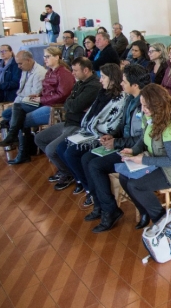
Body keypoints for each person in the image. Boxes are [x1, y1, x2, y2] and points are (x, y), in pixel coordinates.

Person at [81, 65, 151, 232]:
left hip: (138, 151)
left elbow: (143, 139)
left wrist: (117, 143)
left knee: (95, 166)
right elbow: (124, 126)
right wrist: (113, 137)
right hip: (125, 145)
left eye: (124, 81)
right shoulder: (129, 99)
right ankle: (99, 205)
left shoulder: (146, 103)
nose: (121, 84)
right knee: (86, 159)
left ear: (135, 85)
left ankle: (110, 210)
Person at [119, 84, 171, 228]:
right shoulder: (151, 117)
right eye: (142, 105)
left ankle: (162, 221)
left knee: (136, 185)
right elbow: (144, 139)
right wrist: (133, 151)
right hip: (162, 163)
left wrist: (143, 159)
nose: (143, 109)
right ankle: (145, 212)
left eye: (146, 106)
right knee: (124, 177)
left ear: (158, 105)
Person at [54, 63, 127, 204]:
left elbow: (111, 126)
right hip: (91, 131)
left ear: (112, 79)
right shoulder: (102, 93)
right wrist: (92, 126)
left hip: (101, 135)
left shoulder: (120, 98)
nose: (100, 80)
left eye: (103, 77)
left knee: (73, 154)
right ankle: (81, 180)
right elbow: (90, 115)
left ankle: (89, 188)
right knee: (61, 148)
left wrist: (94, 127)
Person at [0, 47, 75, 164]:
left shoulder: (64, 73)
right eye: (44, 56)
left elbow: (62, 95)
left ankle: (21, 149)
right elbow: (48, 90)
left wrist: (41, 98)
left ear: (57, 57)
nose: (45, 59)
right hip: (45, 102)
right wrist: (39, 94)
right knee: (17, 108)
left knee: (19, 119)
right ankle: (18, 144)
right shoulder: (50, 71)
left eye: (48, 56)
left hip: (55, 108)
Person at [36, 57, 102, 188]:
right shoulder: (80, 83)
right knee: (40, 138)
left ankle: (67, 173)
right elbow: (68, 103)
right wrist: (71, 103)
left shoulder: (93, 86)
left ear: (86, 70)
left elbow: (75, 105)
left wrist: (71, 103)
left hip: (78, 125)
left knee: (51, 149)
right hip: (68, 122)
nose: (73, 73)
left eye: (75, 70)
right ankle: (65, 169)